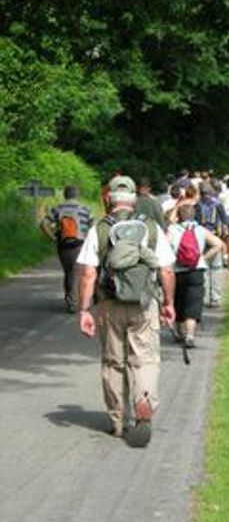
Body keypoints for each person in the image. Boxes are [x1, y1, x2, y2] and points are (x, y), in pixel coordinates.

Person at [77, 175, 176, 446]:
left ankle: (118, 421)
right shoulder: (151, 228)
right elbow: (166, 270)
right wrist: (168, 303)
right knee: (144, 359)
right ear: (134, 201)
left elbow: (88, 273)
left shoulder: (100, 229)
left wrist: (84, 310)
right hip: (144, 304)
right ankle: (143, 400)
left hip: (109, 305)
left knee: (113, 362)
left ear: (109, 199)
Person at [168, 204, 222, 348]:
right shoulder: (201, 230)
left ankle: (180, 333)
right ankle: (190, 336)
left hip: (177, 271)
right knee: (193, 305)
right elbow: (218, 244)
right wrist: (204, 258)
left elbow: (165, 248)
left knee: (178, 302)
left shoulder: (172, 230)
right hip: (196, 270)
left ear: (179, 216)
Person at [40, 185, 93, 313]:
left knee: (68, 272)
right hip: (79, 245)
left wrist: (52, 237)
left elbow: (43, 224)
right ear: (77, 195)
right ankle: (74, 303)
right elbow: (92, 227)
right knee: (76, 272)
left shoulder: (57, 209)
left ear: (65, 195)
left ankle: (69, 298)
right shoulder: (85, 209)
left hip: (62, 246)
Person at [195, 183, 227, 307]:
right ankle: (215, 298)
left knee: (203, 268)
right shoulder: (218, 204)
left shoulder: (197, 205)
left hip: (201, 238)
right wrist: (225, 238)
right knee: (216, 268)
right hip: (215, 237)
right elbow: (224, 222)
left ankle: (204, 297)